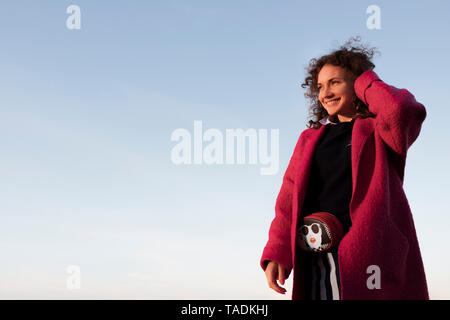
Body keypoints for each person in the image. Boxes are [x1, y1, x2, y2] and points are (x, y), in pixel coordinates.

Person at [260, 37, 429, 300]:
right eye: (320, 86)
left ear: (358, 86)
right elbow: (287, 199)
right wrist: (277, 251)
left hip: (371, 257)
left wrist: (365, 79)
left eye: (335, 82)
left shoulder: (379, 131)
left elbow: (400, 110)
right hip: (317, 257)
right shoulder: (309, 138)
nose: (325, 93)